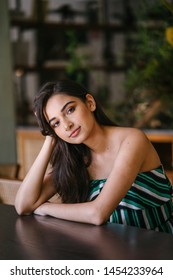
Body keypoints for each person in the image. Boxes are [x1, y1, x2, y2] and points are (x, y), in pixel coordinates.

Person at [15, 79, 173, 233]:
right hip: (111, 249)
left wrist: (44, 208)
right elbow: (23, 205)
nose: (66, 125)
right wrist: (50, 137)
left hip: (158, 249)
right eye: (55, 123)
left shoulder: (132, 140)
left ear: (90, 102)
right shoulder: (74, 160)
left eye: (70, 110)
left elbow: (98, 214)